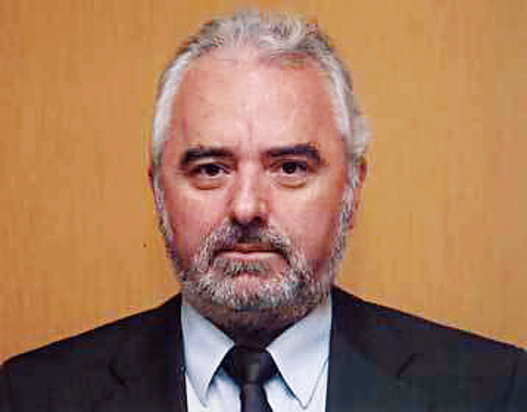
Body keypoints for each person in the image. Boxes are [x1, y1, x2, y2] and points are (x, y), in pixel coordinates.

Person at [1, 10, 525, 412]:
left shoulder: (496, 391)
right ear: (158, 192)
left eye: (290, 167)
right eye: (210, 168)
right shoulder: (30, 396)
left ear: (353, 189)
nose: (247, 207)